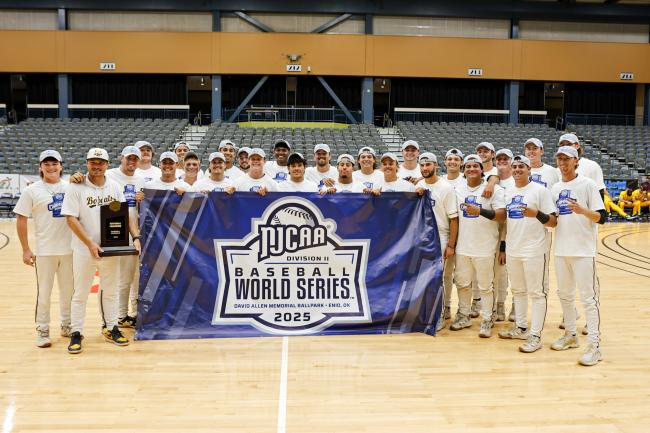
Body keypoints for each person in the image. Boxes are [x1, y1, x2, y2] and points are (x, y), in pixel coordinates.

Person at [61, 148, 140, 354]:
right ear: (87, 163)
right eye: (92, 162)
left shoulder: (114, 186)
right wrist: (89, 243)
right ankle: (76, 332)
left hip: (110, 249)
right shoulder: (75, 187)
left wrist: (136, 237)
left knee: (110, 290)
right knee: (80, 292)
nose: (96, 166)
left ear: (106, 164)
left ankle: (112, 327)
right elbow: (71, 218)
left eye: (100, 162)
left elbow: (125, 214)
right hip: (84, 249)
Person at [550, 146, 606, 366]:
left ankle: (595, 346)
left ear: (576, 162)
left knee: (588, 299)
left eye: (567, 159)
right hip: (561, 249)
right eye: (559, 159)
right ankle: (571, 336)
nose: (563, 163)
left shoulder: (588, 185)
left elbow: (602, 218)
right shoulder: (554, 188)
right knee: (564, 294)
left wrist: (583, 211)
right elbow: (554, 219)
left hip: (583, 251)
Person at [14, 149, 73, 348]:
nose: (51, 167)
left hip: (70, 250)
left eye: (54, 163)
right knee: (44, 293)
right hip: (44, 251)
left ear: (61, 166)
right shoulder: (32, 190)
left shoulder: (71, 187)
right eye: (46, 164)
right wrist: (25, 249)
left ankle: (67, 325)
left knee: (68, 292)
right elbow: (21, 218)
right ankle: (42, 329)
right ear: (40, 167)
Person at [498, 155, 557, 353]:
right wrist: (504, 247)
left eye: (521, 166)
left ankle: (535, 335)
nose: (517, 169)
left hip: (534, 249)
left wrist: (536, 214)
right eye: (514, 166)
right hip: (514, 249)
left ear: (529, 169)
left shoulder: (540, 191)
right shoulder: (508, 191)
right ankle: (521, 328)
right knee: (518, 291)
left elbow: (553, 221)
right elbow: (507, 223)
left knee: (537, 293)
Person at [450, 154, 506, 338]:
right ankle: (464, 315)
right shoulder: (457, 189)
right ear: (463, 170)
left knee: (485, 287)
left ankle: (487, 319)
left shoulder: (493, 190)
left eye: (476, 166)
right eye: (468, 167)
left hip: (485, 247)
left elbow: (501, 215)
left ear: (482, 170)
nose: (472, 169)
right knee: (462, 283)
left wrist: (480, 211)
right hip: (463, 247)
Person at [415, 152, 458, 330]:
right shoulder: (418, 185)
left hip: (440, 235)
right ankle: (429, 311)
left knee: (437, 278)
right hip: (422, 235)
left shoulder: (446, 188)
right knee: (425, 277)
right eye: (422, 165)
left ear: (436, 166)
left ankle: (439, 314)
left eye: (428, 165)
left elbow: (454, 219)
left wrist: (450, 245)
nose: (425, 168)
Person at [106, 146, 146, 328]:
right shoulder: (110, 174)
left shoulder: (140, 179)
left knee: (135, 275)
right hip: (115, 229)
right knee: (121, 277)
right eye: (128, 158)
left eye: (135, 159)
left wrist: (142, 199)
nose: (131, 162)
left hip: (135, 230)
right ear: (121, 158)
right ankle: (120, 315)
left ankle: (134, 313)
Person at [494, 148, 514, 321]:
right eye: (499, 159)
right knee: (494, 273)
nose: (501, 162)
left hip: (510, 232)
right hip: (491, 231)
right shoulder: (491, 180)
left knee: (507, 272)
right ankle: (496, 305)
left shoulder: (516, 183)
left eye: (505, 159)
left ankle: (508, 305)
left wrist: (504, 244)